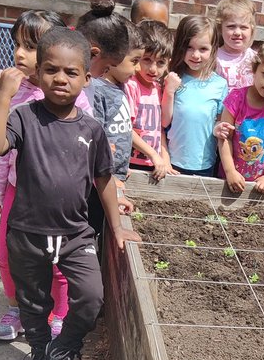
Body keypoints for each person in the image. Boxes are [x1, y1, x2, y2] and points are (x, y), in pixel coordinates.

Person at [0, 26, 141, 360]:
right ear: (38, 73)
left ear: (86, 78)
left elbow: (103, 180)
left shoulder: (92, 129)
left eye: (71, 72)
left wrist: (116, 227)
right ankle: (40, 350)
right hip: (26, 233)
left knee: (90, 296)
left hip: (74, 234)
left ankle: (65, 347)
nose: (60, 78)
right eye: (51, 69)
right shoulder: (24, 117)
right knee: (33, 301)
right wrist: (4, 95)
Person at [0, 9, 89, 343]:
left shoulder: (75, 98)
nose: (19, 54)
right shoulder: (13, 95)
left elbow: (85, 152)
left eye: (30, 47)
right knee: (5, 254)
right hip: (18, 192)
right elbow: (0, 154)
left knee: (56, 262)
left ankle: (58, 314)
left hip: (55, 201)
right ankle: (17, 308)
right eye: (17, 44)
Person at [88, 16, 143, 240]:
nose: (138, 68)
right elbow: (97, 141)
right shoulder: (97, 89)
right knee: (92, 225)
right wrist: (108, 176)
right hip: (98, 180)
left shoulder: (119, 87)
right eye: (134, 61)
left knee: (103, 226)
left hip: (110, 177)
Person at [217, 38, 264, 193]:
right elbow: (225, 137)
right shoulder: (236, 98)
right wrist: (230, 171)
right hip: (230, 177)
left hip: (262, 183)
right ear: (255, 69)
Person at [162, 14, 228, 176]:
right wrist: (169, 91)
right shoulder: (172, 78)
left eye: (203, 49)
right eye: (189, 47)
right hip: (172, 161)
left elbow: (220, 123)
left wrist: (220, 129)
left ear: (213, 49)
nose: (195, 55)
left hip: (205, 163)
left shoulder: (220, 85)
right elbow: (164, 122)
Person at [126, 19, 173, 179]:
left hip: (154, 163)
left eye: (160, 63)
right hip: (130, 163)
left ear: (168, 64)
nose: (153, 69)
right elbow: (126, 129)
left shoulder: (158, 88)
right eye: (147, 60)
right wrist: (153, 154)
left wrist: (164, 158)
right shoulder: (131, 86)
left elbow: (160, 128)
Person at [214, 0, 257, 91]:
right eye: (231, 26)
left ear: (251, 29)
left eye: (243, 27)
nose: (237, 32)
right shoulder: (213, 58)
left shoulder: (256, 59)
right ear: (220, 28)